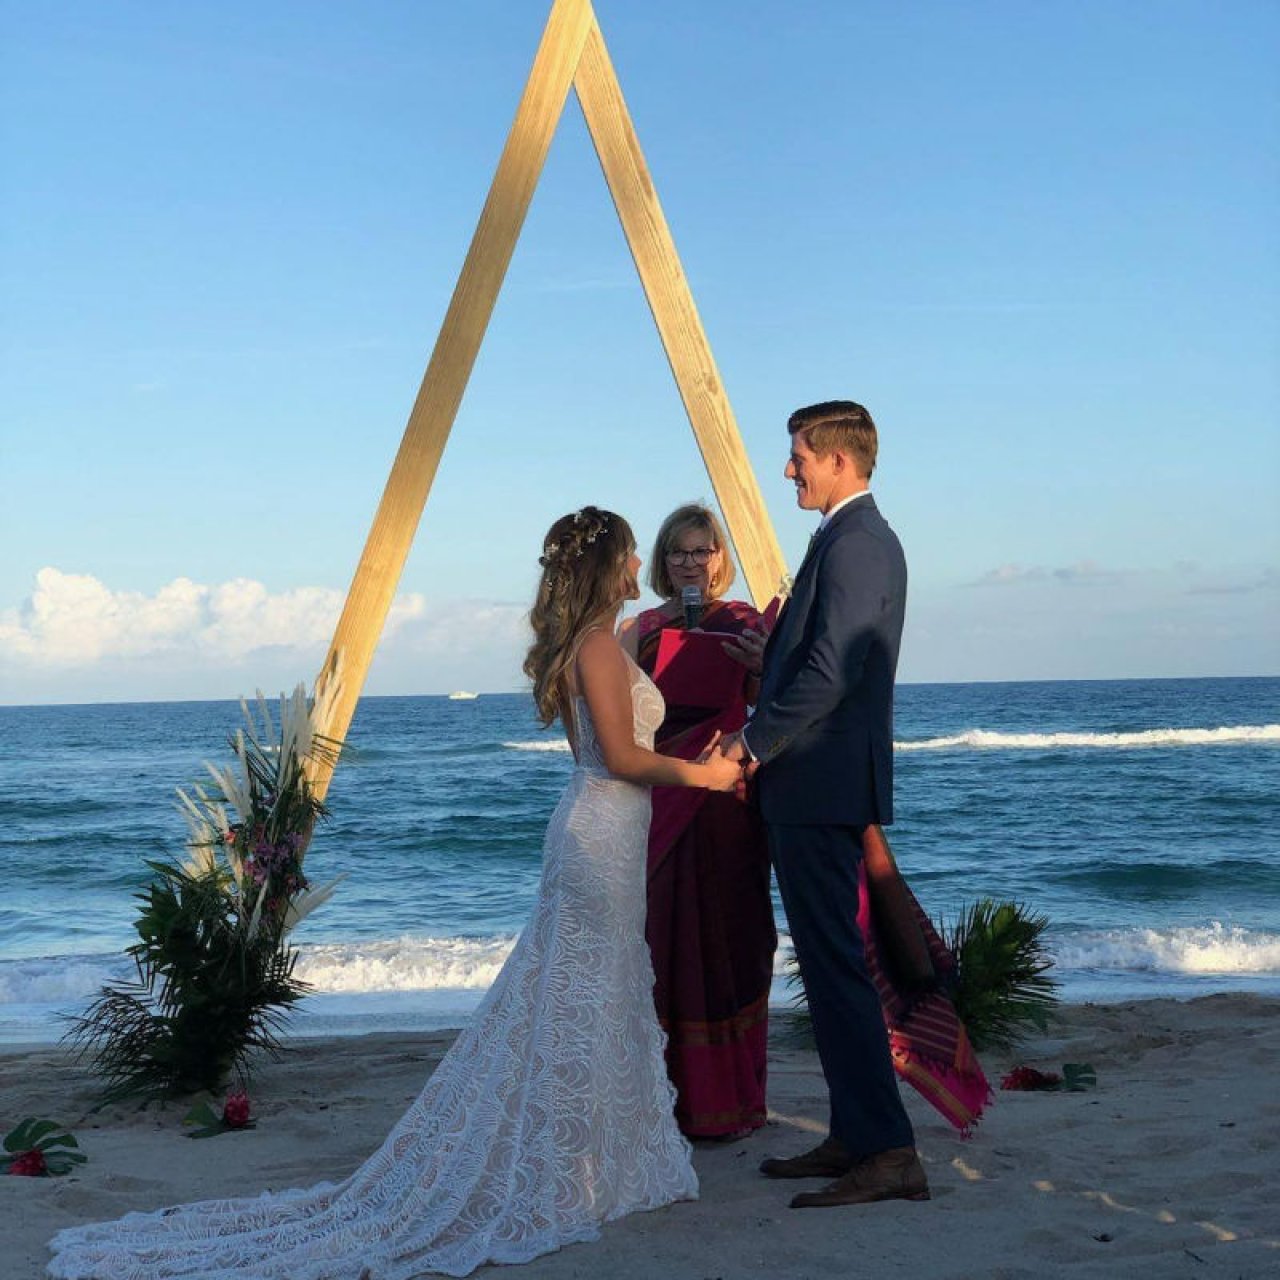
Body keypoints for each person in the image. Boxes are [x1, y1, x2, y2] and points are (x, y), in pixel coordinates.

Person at [48, 506, 743, 1280]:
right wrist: (707, 775)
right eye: (627, 557)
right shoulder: (601, 649)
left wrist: (684, 754)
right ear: (607, 567)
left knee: (587, 995)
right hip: (602, 833)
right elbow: (620, 757)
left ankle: (590, 1161)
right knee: (583, 995)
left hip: (595, 830)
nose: (634, 569)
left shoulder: (591, 647)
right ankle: (568, 1168)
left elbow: (617, 751)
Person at [722, 401, 931, 1209]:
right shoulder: (845, 539)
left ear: (840, 460)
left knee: (836, 969)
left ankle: (888, 1150)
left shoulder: (861, 542)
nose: (789, 469)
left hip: (820, 786)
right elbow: (812, 659)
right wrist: (765, 659)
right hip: (812, 784)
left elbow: (831, 675)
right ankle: (855, 1133)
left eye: (799, 455)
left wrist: (747, 741)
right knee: (827, 963)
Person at [618, 503, 776, 1140]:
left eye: (702, 550)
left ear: (720, 559)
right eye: (678, 551)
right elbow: (617, 715)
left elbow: (773, 709)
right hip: (663, 802)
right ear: (662, 560)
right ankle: (667, 1102)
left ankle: (734, 1098)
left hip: (728, 805)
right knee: (664, 942)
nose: (690, 561)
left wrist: (764, 665)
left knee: (734, 943)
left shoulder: (746, 623)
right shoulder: (641, 627)